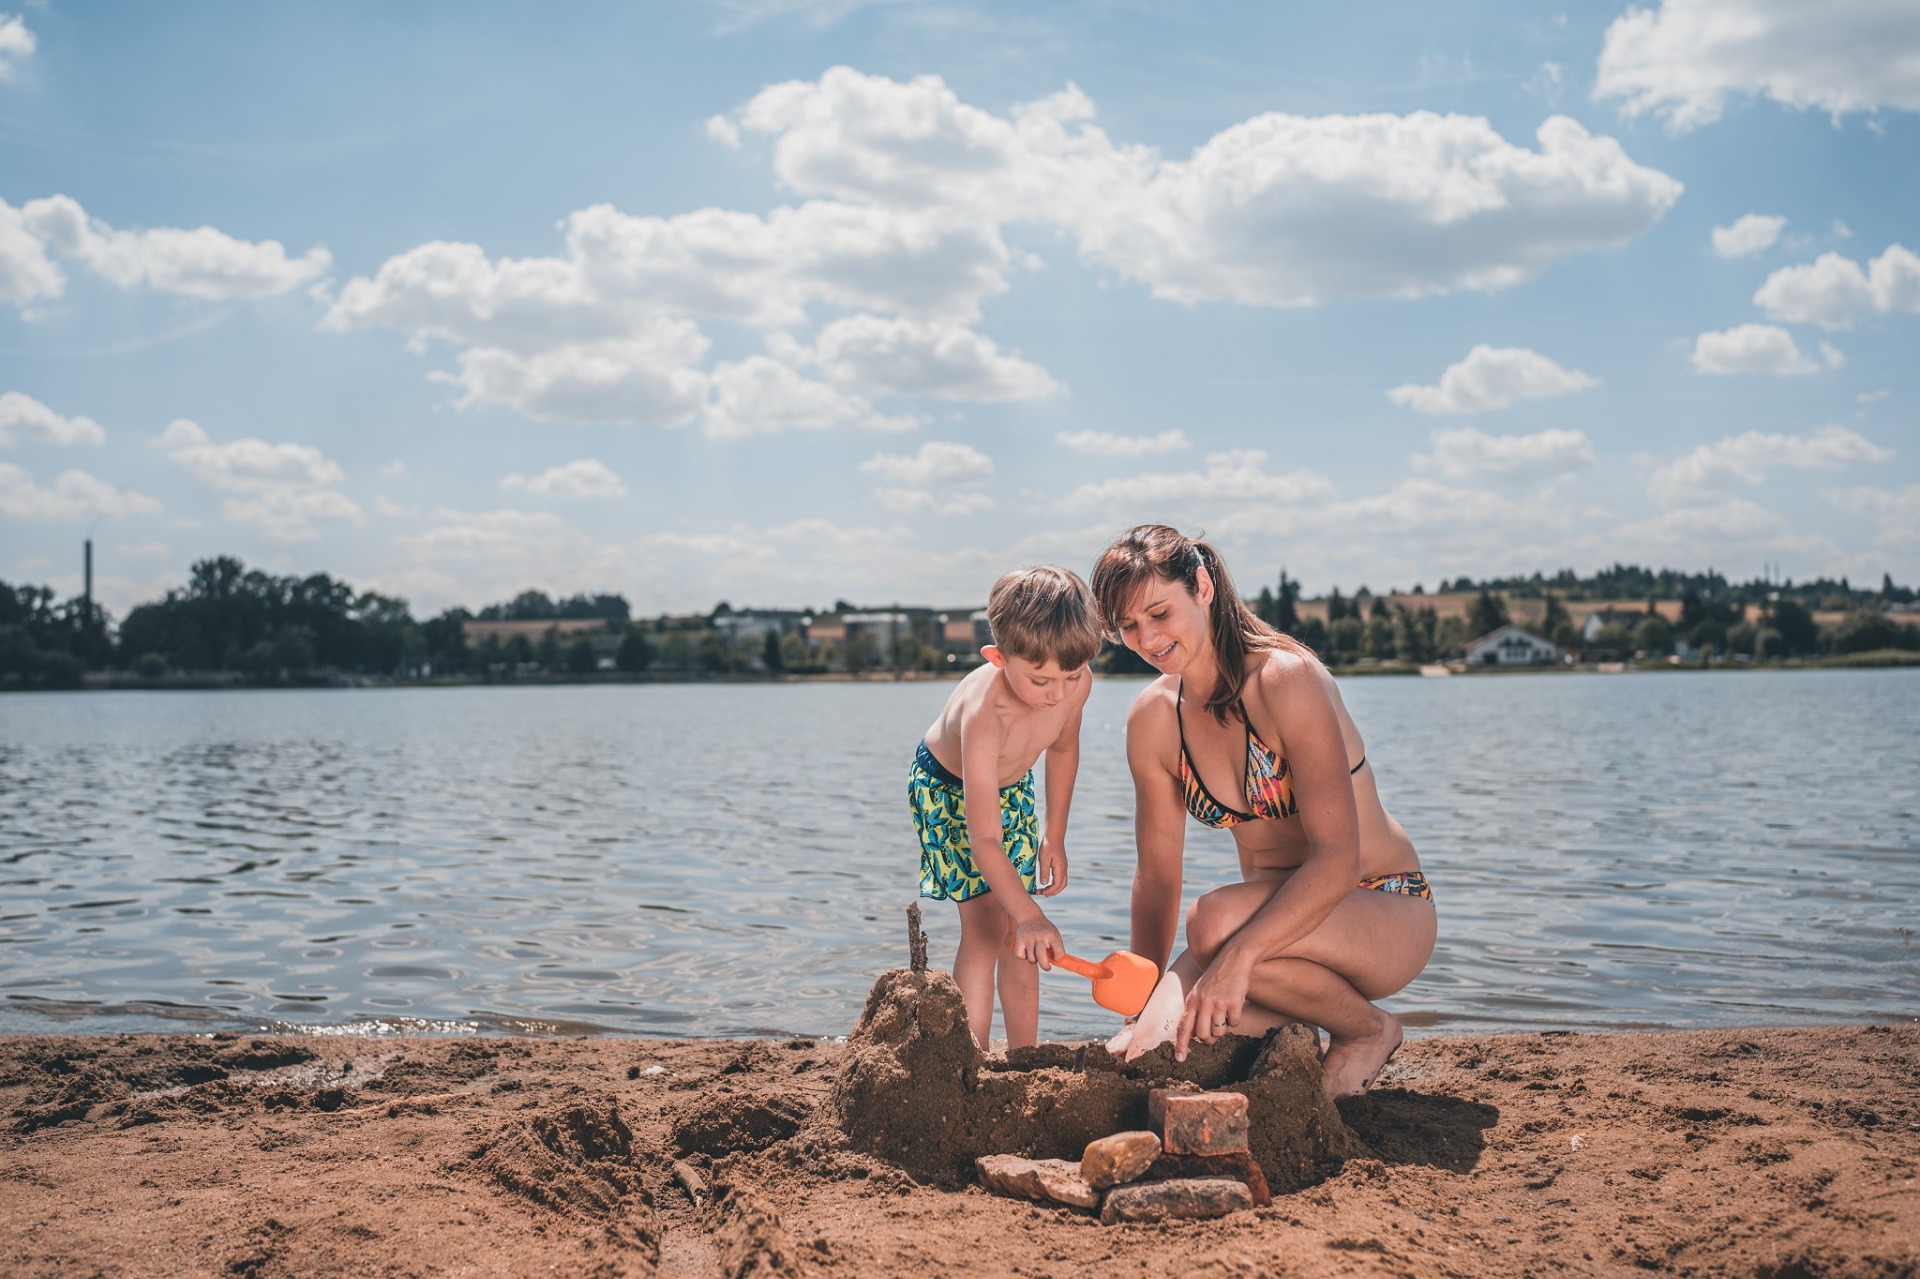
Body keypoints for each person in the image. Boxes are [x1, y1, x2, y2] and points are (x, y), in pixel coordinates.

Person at [1091, 526, 1435, 1097]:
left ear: (1202, 587)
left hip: (1379, 905)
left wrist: (1236, 958)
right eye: (1128, 626)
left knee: (1210, 921)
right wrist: (1138, 1006)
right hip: (1262, 931)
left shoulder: (1286, 680)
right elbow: (1156, 879)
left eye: (1159, 613)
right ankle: (1295, 1027)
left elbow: (1338, 860)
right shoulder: (1153, 720)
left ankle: (1365, 1029)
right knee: (1153, 1052)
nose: (1147, 638)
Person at [910, 566, 1100, 1050]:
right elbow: (985, 839)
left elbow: (1063, 749)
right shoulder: (985, 714)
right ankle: (970, 1058)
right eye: (1040, 680)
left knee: (1021, 933)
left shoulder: (1075, 684)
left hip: (1012, 788)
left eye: (1071, 676)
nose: (1058, 694)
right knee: (987, 924)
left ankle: (1023, 1056)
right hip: (948, 792)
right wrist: (1032, 913)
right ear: (998, 658)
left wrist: (1055, 835)